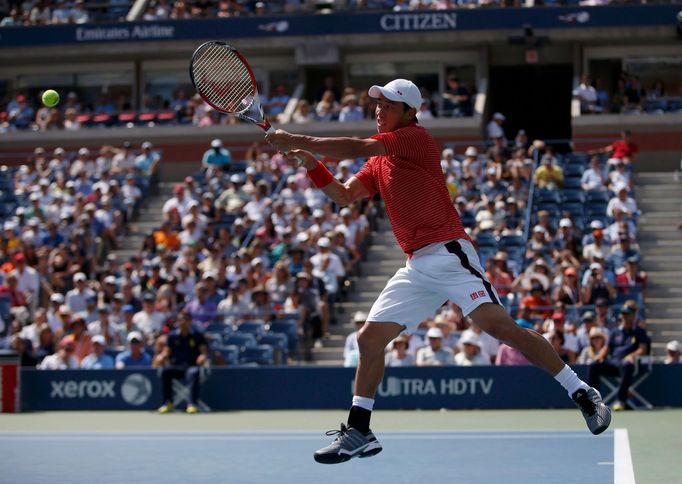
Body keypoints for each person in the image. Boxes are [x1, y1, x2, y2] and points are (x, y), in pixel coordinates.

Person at [266, 78, 611, 464]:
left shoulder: (415, 138)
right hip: (415, 265)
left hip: (449, 254)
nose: (380, 111)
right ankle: (360, 430)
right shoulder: (379, 161)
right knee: (368, 340)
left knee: (501, 329)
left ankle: (580, 390)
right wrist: (313, 165)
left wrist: (298, 139)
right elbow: (345, 196)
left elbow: (356, 146)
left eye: (389, 106)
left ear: (410, 112)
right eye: (378, 105)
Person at [587, 306, 649, 411]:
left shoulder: (640, 332)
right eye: (623, 314)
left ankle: (621, 400)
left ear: (633, 316)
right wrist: (599, 356)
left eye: (627, 314)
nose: (625, 317)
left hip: (629, 366)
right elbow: (606, 348)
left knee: (627, 364)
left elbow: (643, 349)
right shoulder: (614, 332)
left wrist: (631, 356)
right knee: (594, 365)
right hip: (613, 364)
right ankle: (594, 400)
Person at [157, 311, 209, 414]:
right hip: (176, 367)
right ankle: (168, 403)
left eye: (185, 319)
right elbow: (167, 351)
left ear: (190, 321)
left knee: (194, 373)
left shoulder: (197, 336)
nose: (183, 322)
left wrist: (202, 357)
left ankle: (192, 404)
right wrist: (161, 356)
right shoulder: (172, 336)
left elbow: (204, 352)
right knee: (166, 372)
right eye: (180, 319)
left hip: (191, 366)